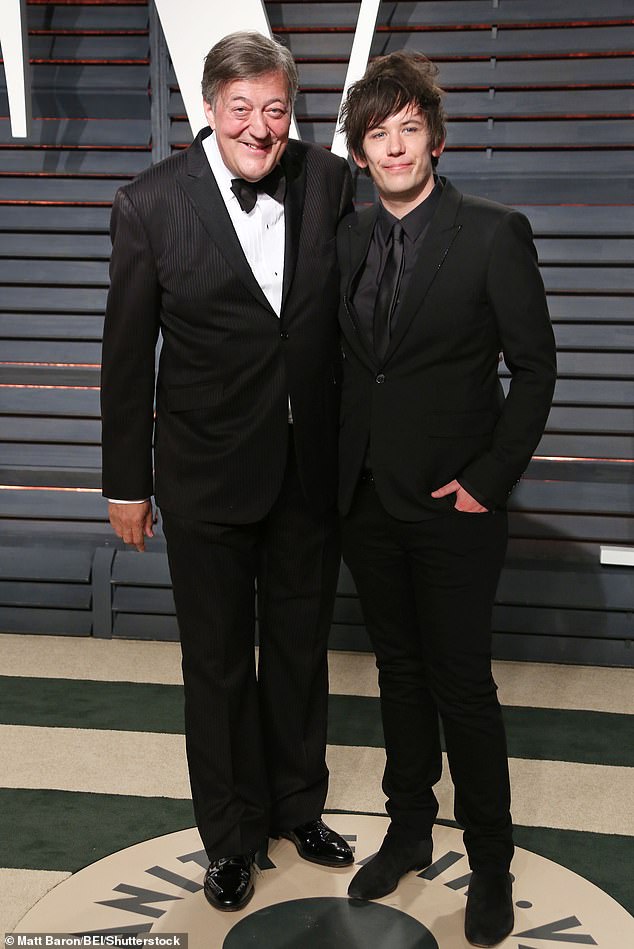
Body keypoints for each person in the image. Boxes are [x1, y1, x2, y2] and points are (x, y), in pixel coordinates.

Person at [100, 31, 354, 912]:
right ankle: (231, 836)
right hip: (204, 474)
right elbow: (126, 357)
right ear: (208, 109)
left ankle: (298, 807)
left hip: (309, 470)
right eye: (241, 107)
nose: (259, 126)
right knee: (215, 664)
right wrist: (126, 483)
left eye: (275, 109)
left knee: (299, 651)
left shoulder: (330, 181)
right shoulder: (149, 202)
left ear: (292, 112)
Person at [337, 52, 556, 946]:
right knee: (398, 673)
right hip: (366, 501)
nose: (394, 146)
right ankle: (409, 831)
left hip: (454, 506)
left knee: (462, 686)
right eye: (377, 133)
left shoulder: (495, 232)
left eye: (409, 128)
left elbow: (535, 369)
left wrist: (486, 482)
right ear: (360, 151)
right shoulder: (347, 236)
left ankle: (491, 865)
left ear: (435, 137)